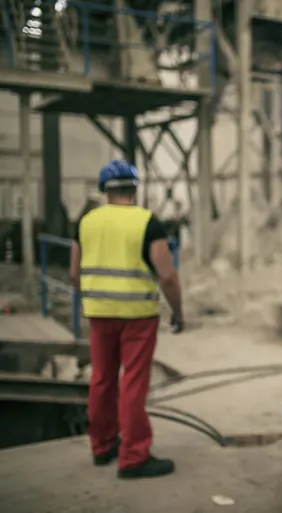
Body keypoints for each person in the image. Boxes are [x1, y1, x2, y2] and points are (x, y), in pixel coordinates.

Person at [69, 160, 184, 479]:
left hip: (99, 314)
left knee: (102, 379)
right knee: (133, 380)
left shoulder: (85, 222)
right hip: (137, 317)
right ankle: (134, 456)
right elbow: (168, 277)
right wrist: (177, 311)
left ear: (104, 190)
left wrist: (93, 299)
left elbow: (74, 273)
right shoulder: (148, 223)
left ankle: (103, 446)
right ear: (134, 188)